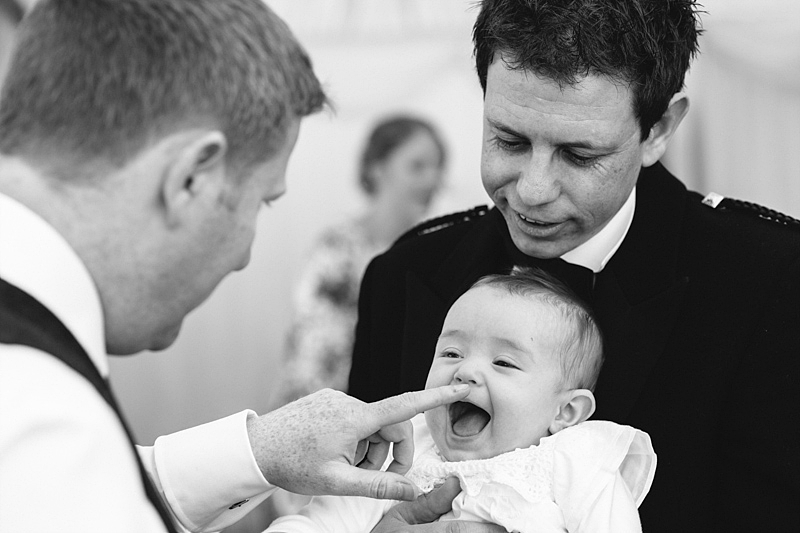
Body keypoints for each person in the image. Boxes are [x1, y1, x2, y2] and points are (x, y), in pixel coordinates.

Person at [0, 1, 488, 532]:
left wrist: (258, 450)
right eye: (262, 202)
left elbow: (95, 489)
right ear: (191, 178)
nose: (244, 256)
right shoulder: (39, 418)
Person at [347, 1, 800, 532]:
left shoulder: (771, 283)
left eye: (579, 155)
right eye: (509, 140)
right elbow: (356, 497)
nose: (533, 191)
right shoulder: (405, 274)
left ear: (658, 129)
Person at [267, 267, 656, 532]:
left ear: (566, 411)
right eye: (451, 353)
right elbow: (318, 524)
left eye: (503, 362)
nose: (466, 371)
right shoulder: (403, 452)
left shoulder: (577, 462)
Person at [273, 114, 447, 406]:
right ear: (377, 168)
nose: (433, 179)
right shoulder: (337, 250)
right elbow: (314, 359)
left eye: (438, 167)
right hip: (324, 417)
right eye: (417, 166)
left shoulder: (436, 251)